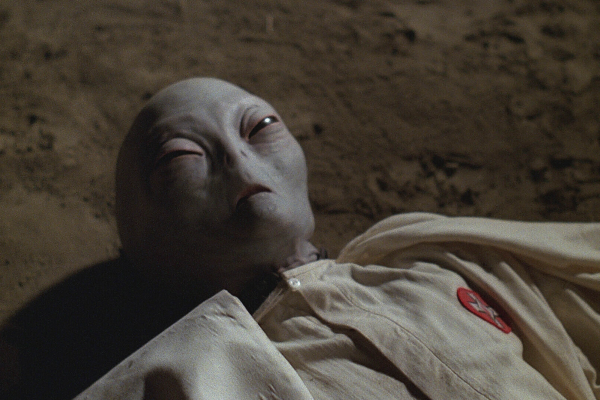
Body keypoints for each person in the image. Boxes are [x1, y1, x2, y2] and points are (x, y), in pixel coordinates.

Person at [74, 78, 600, 399]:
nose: (238, 159)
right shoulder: (186, 375)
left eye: (260, 127)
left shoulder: (438, 257)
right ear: (140, 244)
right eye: (180, 158)